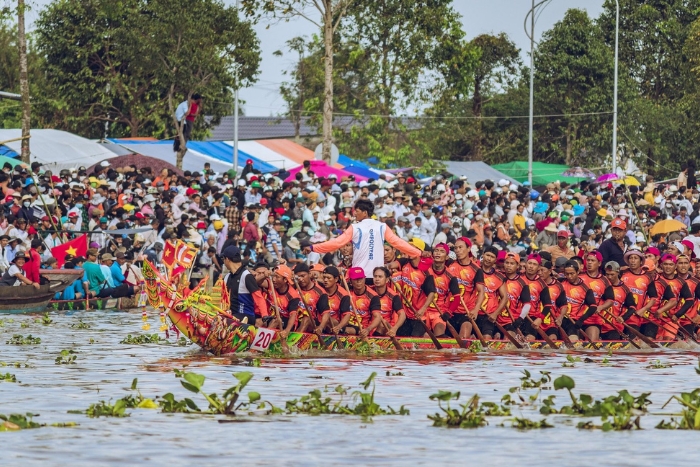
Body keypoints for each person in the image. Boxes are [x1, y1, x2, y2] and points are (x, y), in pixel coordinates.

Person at [305, 199, 424, 279]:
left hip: (358, 276)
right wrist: (419, 253)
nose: (354, 214)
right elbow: (398, 243)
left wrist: (313, 247)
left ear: (365, 213)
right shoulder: (382, 226)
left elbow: (337, 243)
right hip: (378, 276)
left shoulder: (355, 227)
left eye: (357, 211)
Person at [222, 245, 268, 325]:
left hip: (246, 317)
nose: (224, 262)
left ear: (227, 259)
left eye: (223, 259)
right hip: (231, 315)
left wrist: (264, 315)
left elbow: (259, 298)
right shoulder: (226, 277)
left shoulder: (246, 276)